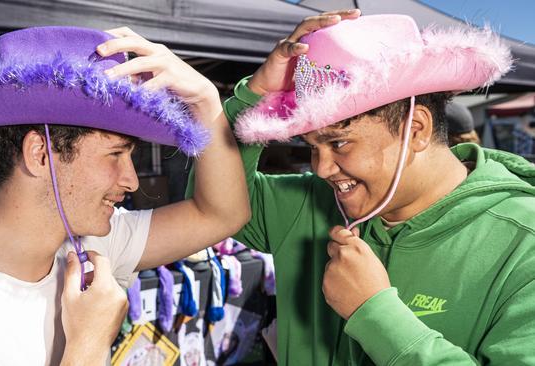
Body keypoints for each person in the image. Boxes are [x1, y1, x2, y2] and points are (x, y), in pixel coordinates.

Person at [0, 26, 249, 365]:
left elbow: (221, 214)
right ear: (40, 154)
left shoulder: (91, 246)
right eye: (115, 154)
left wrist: (206, 101)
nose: (133, 182)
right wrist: (88, 344)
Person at [213, 11, 535, 365]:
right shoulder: (308, 203)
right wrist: (253, 96)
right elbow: (209, 207)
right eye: (311, 147)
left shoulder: (524, 244)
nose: (321, 169)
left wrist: (375, 314)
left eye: (339, 143)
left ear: (415, 130)